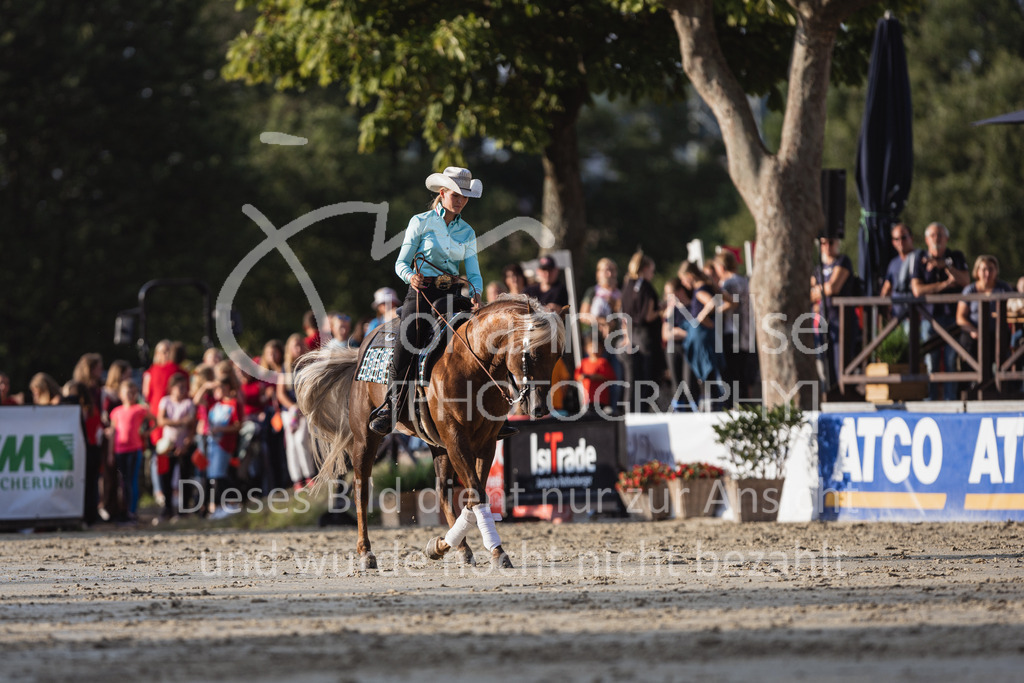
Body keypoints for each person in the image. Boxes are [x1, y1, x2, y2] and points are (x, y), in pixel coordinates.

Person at [369, 166, 518, 439]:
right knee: (407, 340)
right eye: (456, 195)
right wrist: (410, 276)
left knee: (483, 342)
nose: (461, 201)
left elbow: (473, 271)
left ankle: (495, 410)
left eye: (465, 196)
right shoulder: (421, 222)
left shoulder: (468, 232)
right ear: (443, 193)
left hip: (453, 295)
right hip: (422, 291)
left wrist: (476, 290)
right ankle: (392, 406)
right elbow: (401, 262)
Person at [910, 222, 970, 400]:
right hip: (930, 318)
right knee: (931, 361)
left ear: (947, 238)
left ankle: (950, 399)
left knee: (952, 360)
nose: (937, 239)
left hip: (953, 316)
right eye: (933, 236)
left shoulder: (956, 257)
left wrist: (945, 265)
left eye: (940, 235)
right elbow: (917, 290)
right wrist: (945, 284)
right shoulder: (920, 258)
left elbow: (966, 280)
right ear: (927, 239)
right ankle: (931, 399)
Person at [810, 237, 862, 392]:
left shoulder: (843, 261)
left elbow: (833, 288)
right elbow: (810, 293)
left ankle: (845, 393)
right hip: (824, 322)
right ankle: (830, 392)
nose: (827, 246)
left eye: (830, 242)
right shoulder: (818, 268)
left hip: (842, 319)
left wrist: (818, 290)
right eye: (823, 243)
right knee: (825, 362)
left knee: (843, 362)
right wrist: (822, 290)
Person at [956, 255, 1013, 383]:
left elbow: (1013, 308)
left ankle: (1001, 385)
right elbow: (960, 317)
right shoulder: (970, 290)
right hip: (974, 334)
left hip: (997, 333)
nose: (987, 273)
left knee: (1004, 345)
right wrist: (972, 330)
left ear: (996, 271)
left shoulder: (1003, 288)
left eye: (991, 269)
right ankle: (971, 385)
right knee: (968, 347)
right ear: (977, 271)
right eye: (984, 269)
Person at [679, 261, 727, 410]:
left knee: (709, 375)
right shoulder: (707, 287)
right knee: (711, 376)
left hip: (703, 338)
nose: (682, 283)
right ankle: (715, 407)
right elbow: (727, 301)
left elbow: (712, 303)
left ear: (689, 276)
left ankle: (715, 410)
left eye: (683, 279)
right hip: (706, 336)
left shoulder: (700, 291)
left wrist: (701, 318)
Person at [621, 250, 664, 413]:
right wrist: (662, 309)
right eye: (652, 270)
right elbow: (648, 315)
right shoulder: (645, 287)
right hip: (647, 337)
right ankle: (643, 412)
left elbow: (625, 316)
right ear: (645, 268)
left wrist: (626, 337)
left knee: (634, 380)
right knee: (649, 378)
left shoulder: (627, 285)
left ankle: (632, 413)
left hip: (633, 336)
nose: (652, 274)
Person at [579, 257, 625, 410]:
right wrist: (602, 321)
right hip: (596, 344)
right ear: (598, 273)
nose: (609, 273)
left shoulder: (620, 294)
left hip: (616, 343)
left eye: (612, 269)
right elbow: (583, 315)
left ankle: (614, 411)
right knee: (596, 381)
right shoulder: (593, 292)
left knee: (616, 380)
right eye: (606, 269)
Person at [107, 379, 154, 522]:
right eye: (127, 393)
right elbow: (113, 433)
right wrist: (110, 452)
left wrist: (146, 433)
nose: (130, 395)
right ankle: (123, 509)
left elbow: (155, 421)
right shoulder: (116, 412)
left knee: (131, 480)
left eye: (133, 393)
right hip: (119, 450)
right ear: (121, 394)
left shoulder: (140, 409)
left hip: (134, 449)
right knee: (122, 481)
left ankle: (132, 511)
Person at [713, 250, 758, 400]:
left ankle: (733, 405)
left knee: (731, 373)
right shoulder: (744, 281)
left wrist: (714, 310)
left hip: (731, 331)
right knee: (741, 374)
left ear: (721, 266)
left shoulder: (728, 283)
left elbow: (731, 303)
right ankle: (743, 404)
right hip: (746, 332)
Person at [277, 333, 316, 490]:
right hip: (289, 412)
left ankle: (309, 474)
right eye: (295, 346)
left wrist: (302, 407)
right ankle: (297, 479)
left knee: (302, 441)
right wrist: (292, 406)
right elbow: (280, 393)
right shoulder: (285, 368)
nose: (298, 349)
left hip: (304, 410)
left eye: (300, 345)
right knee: (292, 445)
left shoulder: (308, 366)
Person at [156, 374, 196, 520]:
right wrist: (180, 422)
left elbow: (192, 424)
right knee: (165, 476)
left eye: (184, 387)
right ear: (172, 388)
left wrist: (187, 442)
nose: (182, 390)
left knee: (185, 477)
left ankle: (184, 508)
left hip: (183, 444)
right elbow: (160, 420)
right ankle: (167, 508)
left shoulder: (188, 403)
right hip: (168, 445)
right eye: (179, 387)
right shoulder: (165, 401)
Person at [200, 378, 241, 519]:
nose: (217, 391)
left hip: (225, 444)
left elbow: (238, 425)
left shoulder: (234, 403)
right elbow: (197, 401)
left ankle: (226, 504)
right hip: (213, 444)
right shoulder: (216, 404)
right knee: (213, 476)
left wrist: (221, 428)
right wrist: (206, 385)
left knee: (219, 475)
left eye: (221, 388)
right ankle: (220, 505)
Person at [879, 223, 918, 322]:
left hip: (918, 316)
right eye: (896, 239)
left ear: (911, 238)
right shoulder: (893, 263)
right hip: (897, 317)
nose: (900, 242)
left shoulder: (920, 258)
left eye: (904, 237)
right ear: (893, 242)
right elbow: (887, 288)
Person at [574, 337, 616, 411]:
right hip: (587, 399)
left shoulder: (603, 362)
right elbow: (577, 376)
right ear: (586, 348)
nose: (594, 349)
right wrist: (583, 377)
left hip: (601, 398)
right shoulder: (584, 363)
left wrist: (594, 377)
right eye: (591, 346)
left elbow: (610, 377)